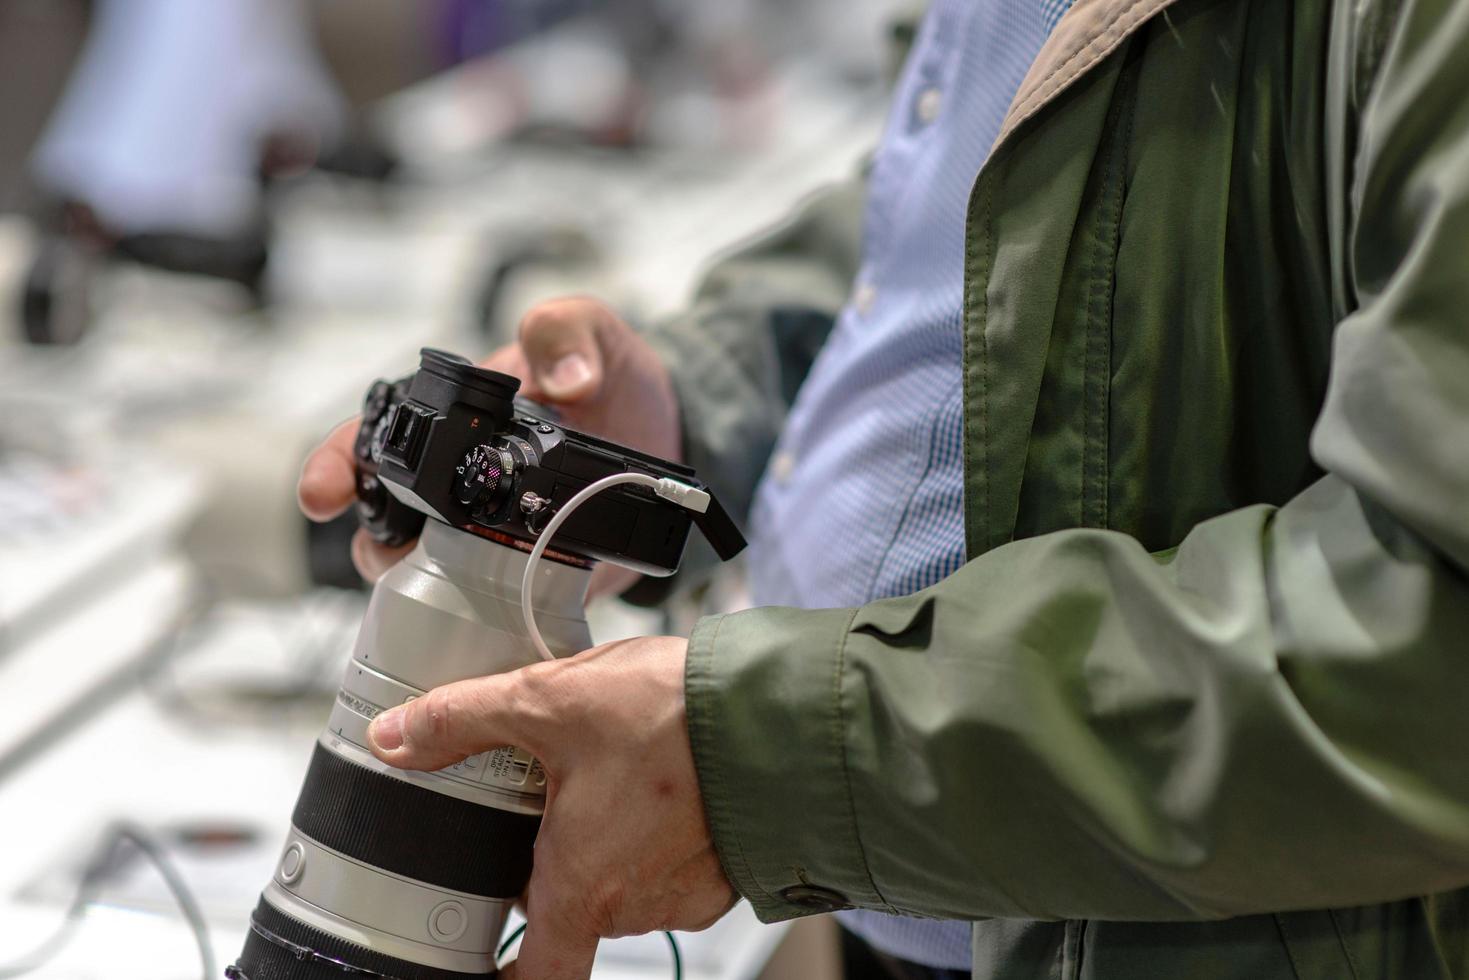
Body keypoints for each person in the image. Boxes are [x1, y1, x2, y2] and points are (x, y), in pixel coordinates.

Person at [298, 0, 1469, 978]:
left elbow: (1433, 639)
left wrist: (777, 758)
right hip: (894, 896)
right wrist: (690, 408)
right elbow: (952, 194)